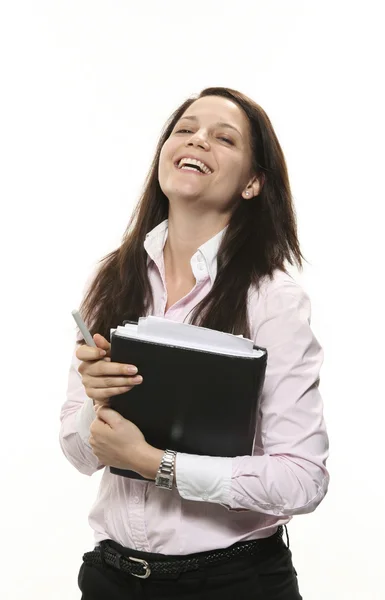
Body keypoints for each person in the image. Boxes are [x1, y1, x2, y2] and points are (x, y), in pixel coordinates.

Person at [60, 86, 329, 599]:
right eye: (184, 130)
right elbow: (79, 454)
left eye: (223, 138)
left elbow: (303, 479)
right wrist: (96, 403)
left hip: (231, 583)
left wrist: (154, 463)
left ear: (253, 183)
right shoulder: (114, 278)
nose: (197, 140)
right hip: (112, 579)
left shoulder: (272, 299)